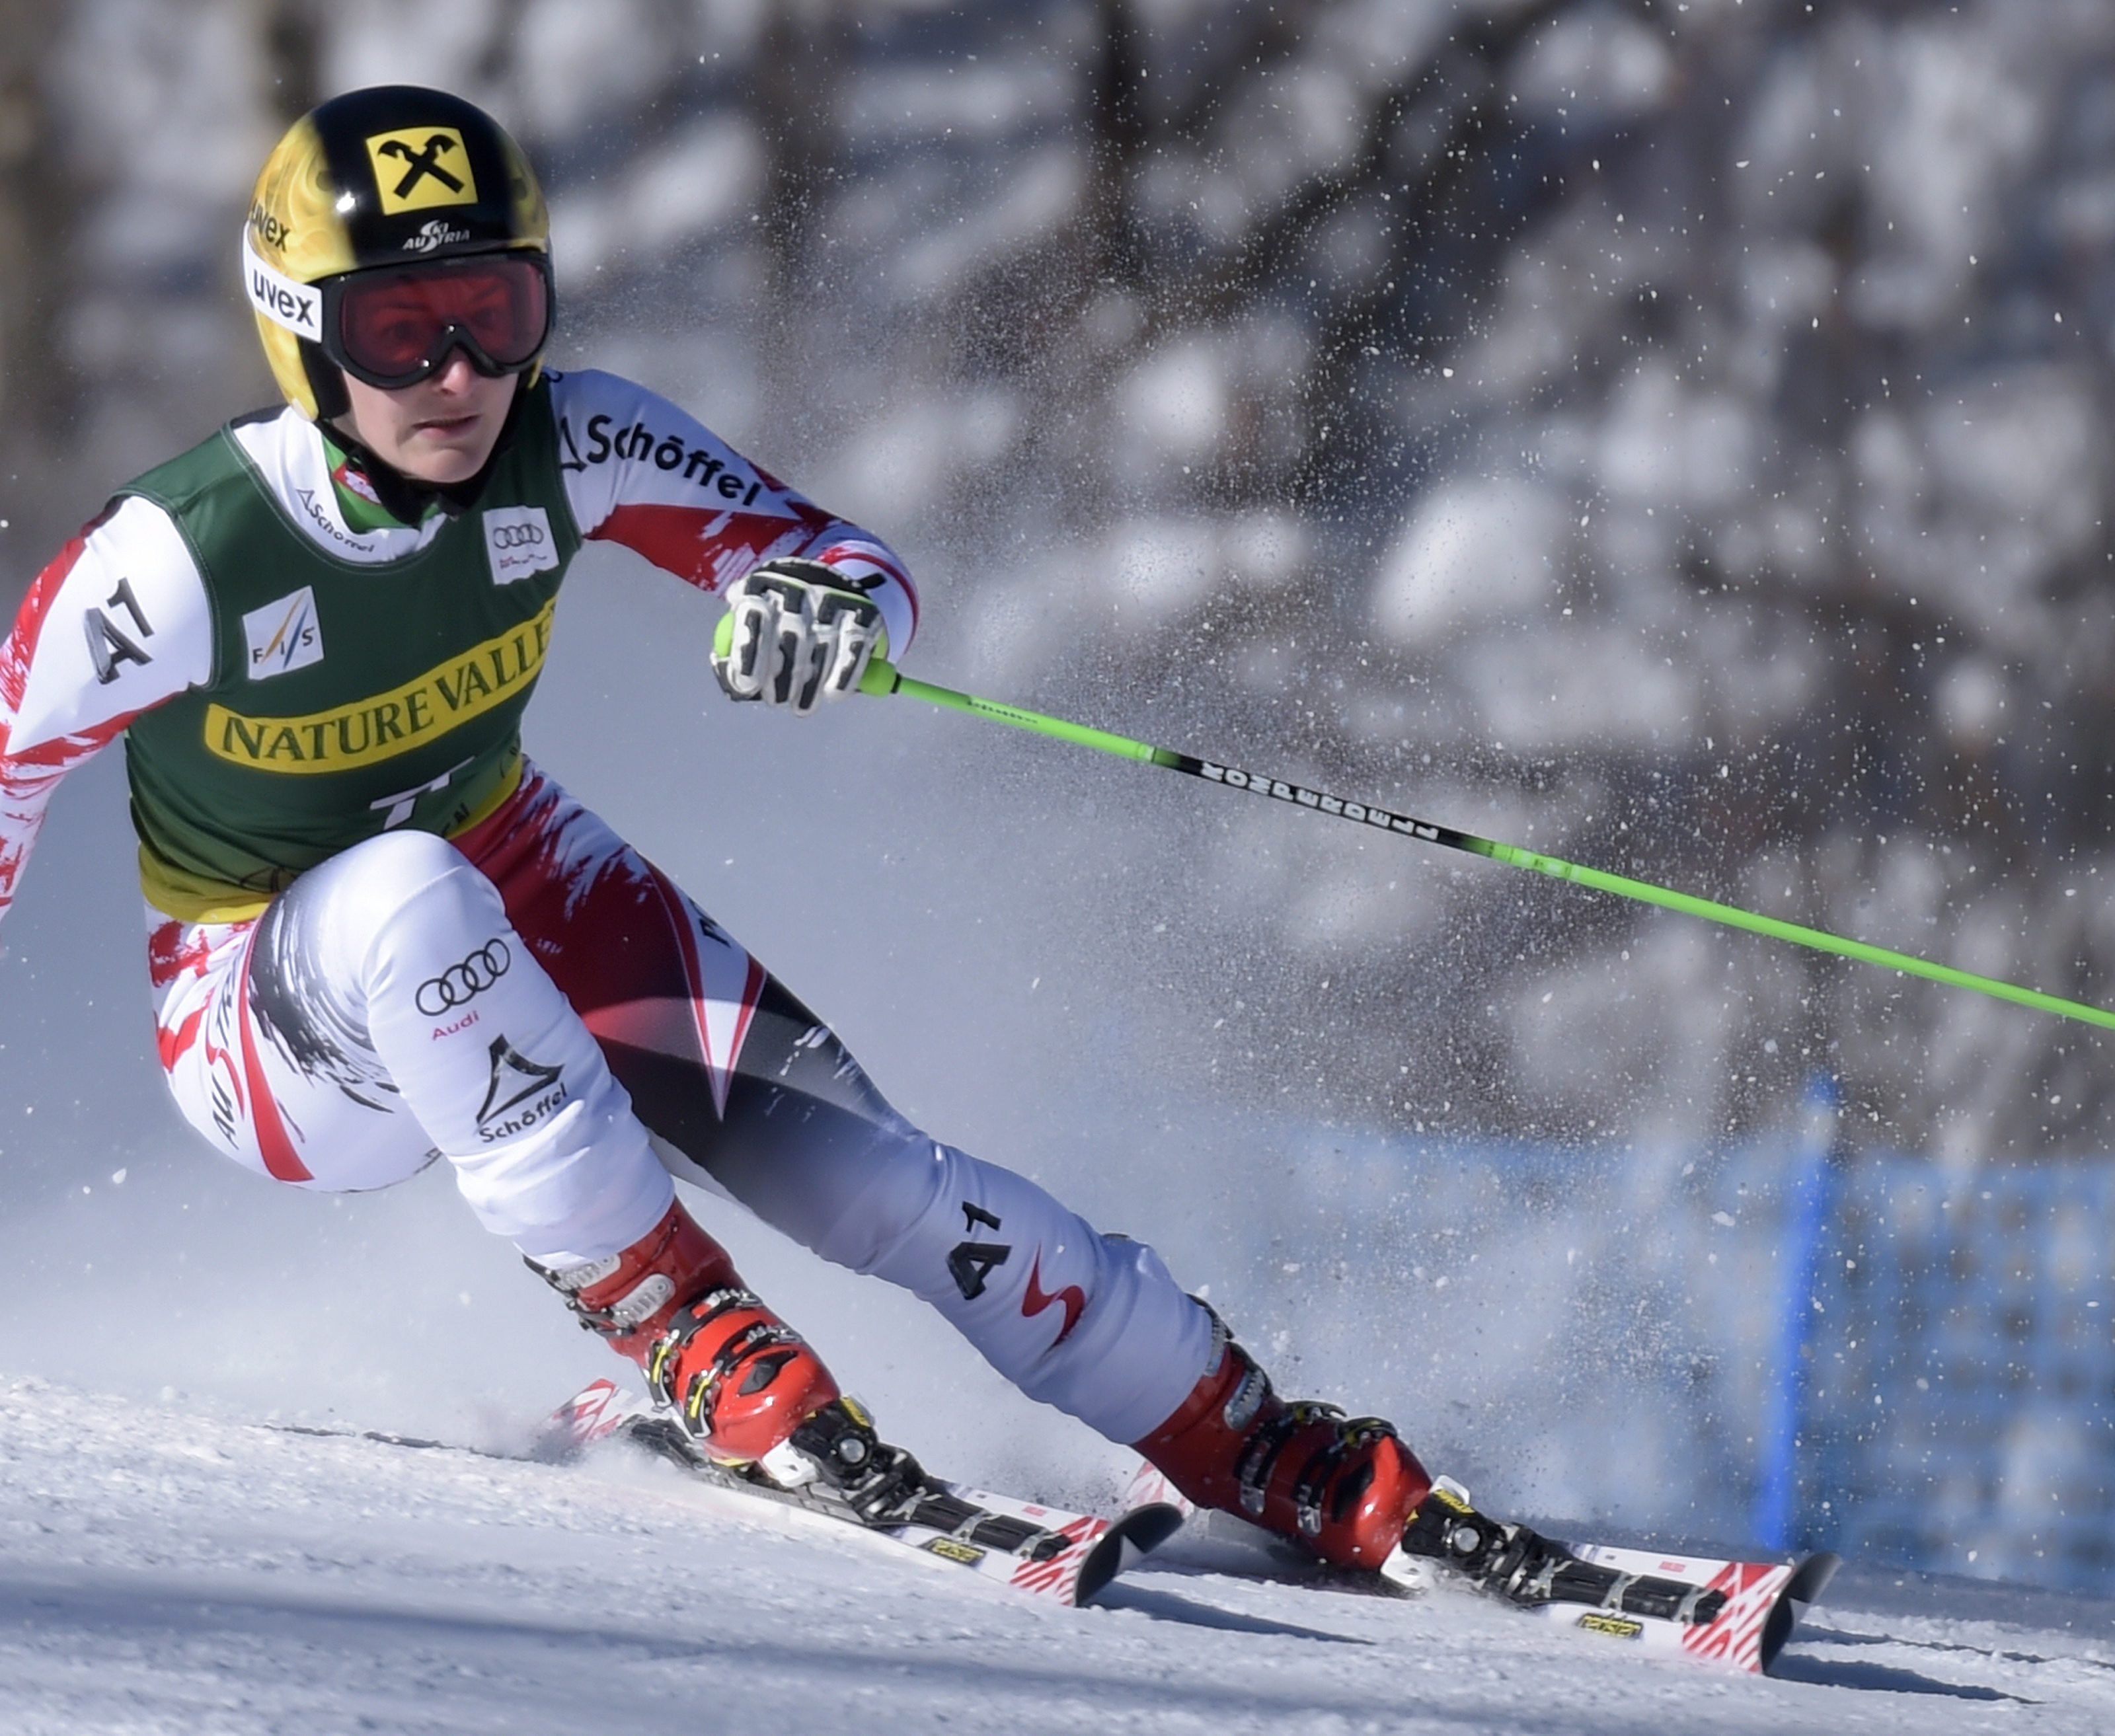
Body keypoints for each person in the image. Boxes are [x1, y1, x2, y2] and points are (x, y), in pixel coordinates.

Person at [0, 85, 1430, 1567]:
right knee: (402, 890)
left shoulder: (578, 439)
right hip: (259, 1016)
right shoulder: (176, 560)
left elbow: (837, 557)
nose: (458, 371)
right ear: (300, 334)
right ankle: (686, 1326)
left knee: (873, 1176)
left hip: (513, 868)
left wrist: (824, 607)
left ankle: (1232, 1427)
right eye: (395, 329)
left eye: (495, 309)